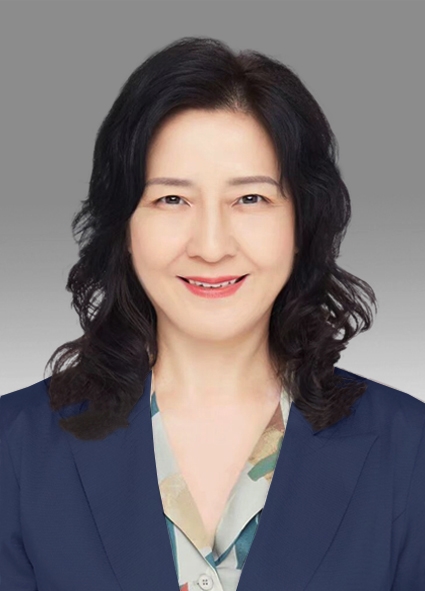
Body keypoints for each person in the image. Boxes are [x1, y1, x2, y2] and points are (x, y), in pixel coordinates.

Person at [1, 36, 424, 591]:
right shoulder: (14, 448)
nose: (210, 245)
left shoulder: (409, 451)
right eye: (172, 199)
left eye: (250, 199)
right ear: (124, 227)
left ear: (302, 223)